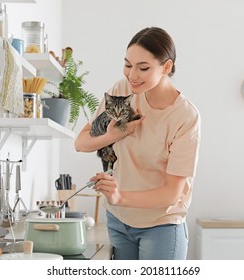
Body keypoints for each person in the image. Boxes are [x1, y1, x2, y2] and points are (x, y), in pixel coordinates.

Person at [74, 27, 200, 260]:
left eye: (143, 68)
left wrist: (119, 196)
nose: (132, 75)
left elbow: (171, 194)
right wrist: (113, 135)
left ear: (166, 67)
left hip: (161, 226)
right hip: (118, 220)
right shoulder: (122, 90)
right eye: (127, 65)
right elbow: (81, 143)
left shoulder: (185, 117)